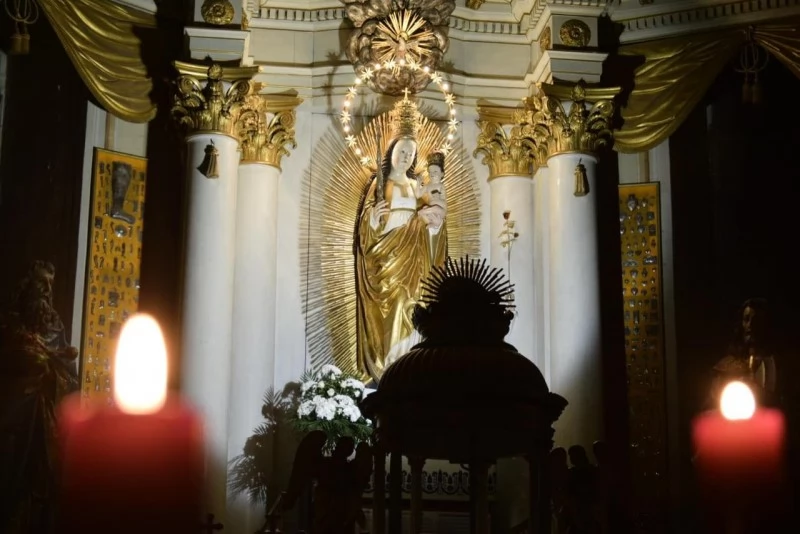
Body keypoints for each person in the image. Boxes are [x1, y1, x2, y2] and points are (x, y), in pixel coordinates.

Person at [355, 96, 447, 381]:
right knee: (394, 305)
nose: (406, 156)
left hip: (414, 259)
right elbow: (367, 230)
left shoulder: (416, 186)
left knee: (413, 303)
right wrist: (372, 218)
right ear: (391, 151)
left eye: (410, 152)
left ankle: (412, 365)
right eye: (402, 150)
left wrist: (432, 224)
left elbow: (434, 224)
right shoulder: (378, 185)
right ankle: (390, 368)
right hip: (387, 260)